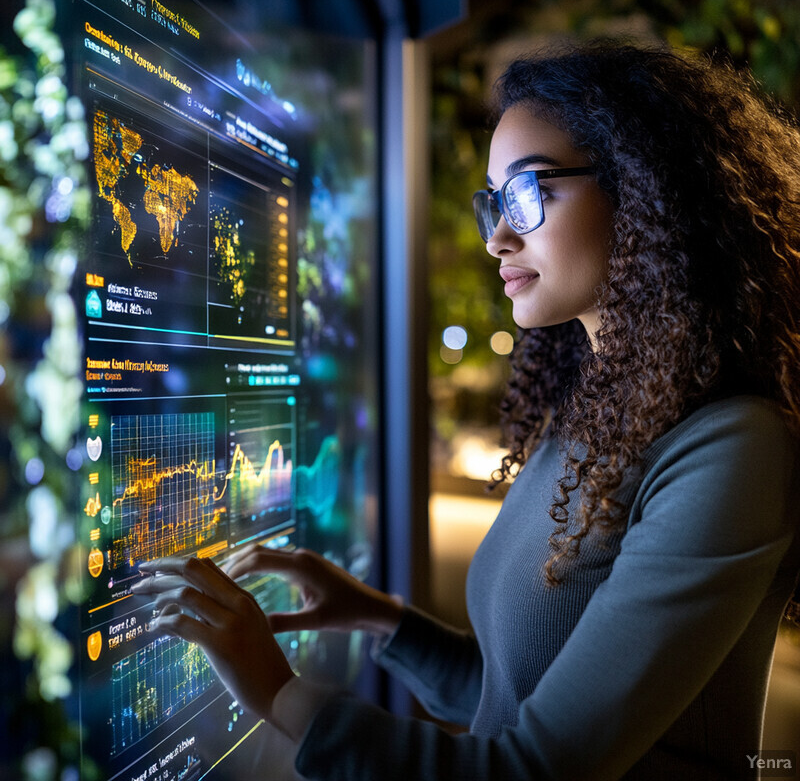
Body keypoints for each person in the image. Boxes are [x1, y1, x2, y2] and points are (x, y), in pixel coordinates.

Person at [132, 41, 800, 780]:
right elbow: (515, 696)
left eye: (527, 193)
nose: (496, 237)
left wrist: (275, 689)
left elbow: (533, 766)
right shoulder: (594, 412)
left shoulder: (734, 449)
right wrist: (379, 617)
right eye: (493, 202)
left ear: (646, 189)